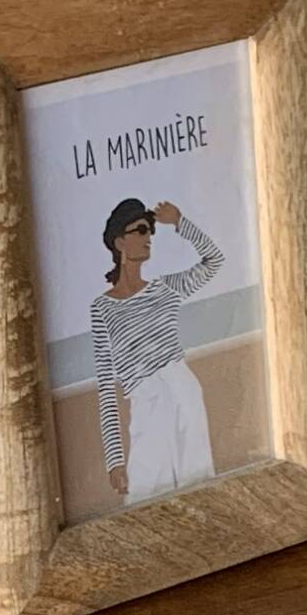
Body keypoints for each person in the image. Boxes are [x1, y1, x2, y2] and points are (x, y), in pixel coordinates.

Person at [89, 196, 223, 503]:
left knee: (198, 484)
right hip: (146, 399)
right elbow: (106, 387)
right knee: (145, 493)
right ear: (119, 242)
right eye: (140, 230)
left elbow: (214, 260)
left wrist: (179, 222)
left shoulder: (165, 289)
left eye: (150, 230)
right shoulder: (102, 309)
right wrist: (115, 459)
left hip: (182, 386)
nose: (148, 237)